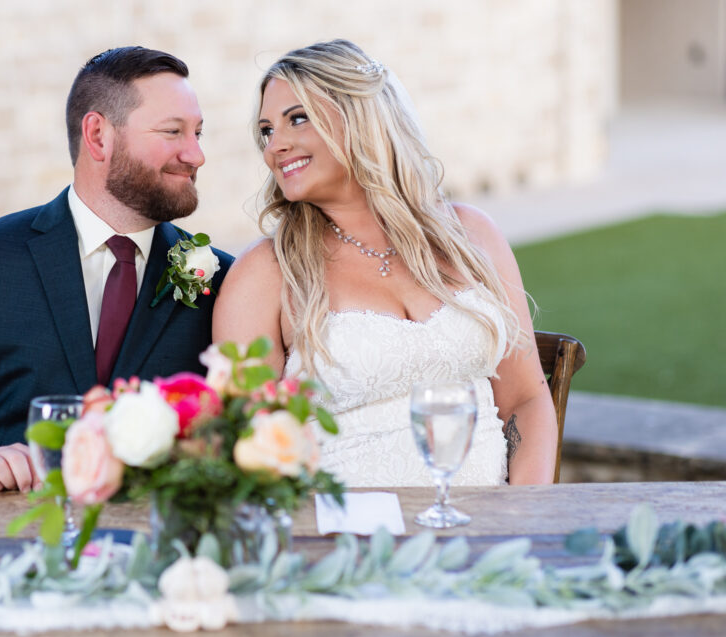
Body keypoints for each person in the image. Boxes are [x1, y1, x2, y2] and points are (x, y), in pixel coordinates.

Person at [0, 47, 233, 490]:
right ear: (98, 136)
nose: (196, 155)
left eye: (199, 133)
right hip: (9, 535)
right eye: (174, 132)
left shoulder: (222, 281)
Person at [213, 39, 556, 487]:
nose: (275, 146)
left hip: (486, 533)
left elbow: (526, 400)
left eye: (297, 119)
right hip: (341, 541)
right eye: (266, 131)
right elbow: (245, 452)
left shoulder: (472, 236)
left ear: (359, 117)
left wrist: (522, 519)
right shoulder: (264, 273)